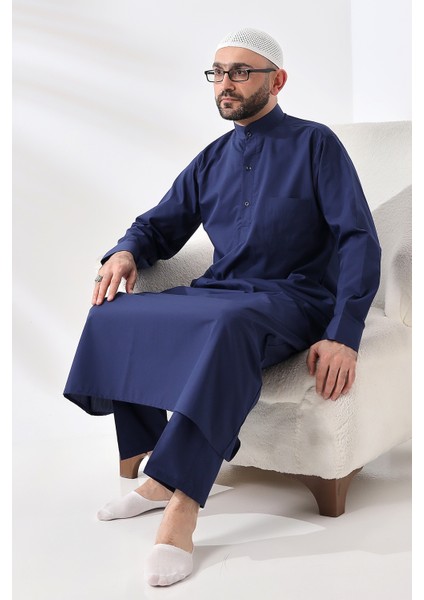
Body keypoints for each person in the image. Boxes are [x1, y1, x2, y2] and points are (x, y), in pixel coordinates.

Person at [64, 27, 381, 587]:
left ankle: (182, 506)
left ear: (277, 81)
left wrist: (345, 332)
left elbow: (359, 239)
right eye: (217, 73)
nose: (225, 84)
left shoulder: (316, 144)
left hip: (296, 297)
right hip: (223, 292)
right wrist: (126, 250)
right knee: (114, 312)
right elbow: (158, 224)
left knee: (228, 324)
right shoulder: (212, 158)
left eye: (240, 72)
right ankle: (155, 468)